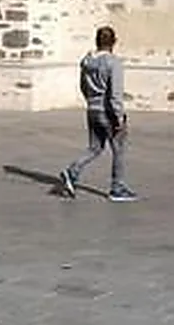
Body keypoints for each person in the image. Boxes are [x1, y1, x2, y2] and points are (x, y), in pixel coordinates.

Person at [58, 26, 137, 203]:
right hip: (107, 111)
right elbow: (115, 93)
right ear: (114, 42)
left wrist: (91, 101)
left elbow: (83, 86)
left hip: (92, 109)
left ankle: (72, 172)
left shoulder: (86, 62)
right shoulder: (113, 63)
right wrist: (118, 117)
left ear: (97, 41)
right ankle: (117, 187)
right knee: (118, 149)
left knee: (95, 148)